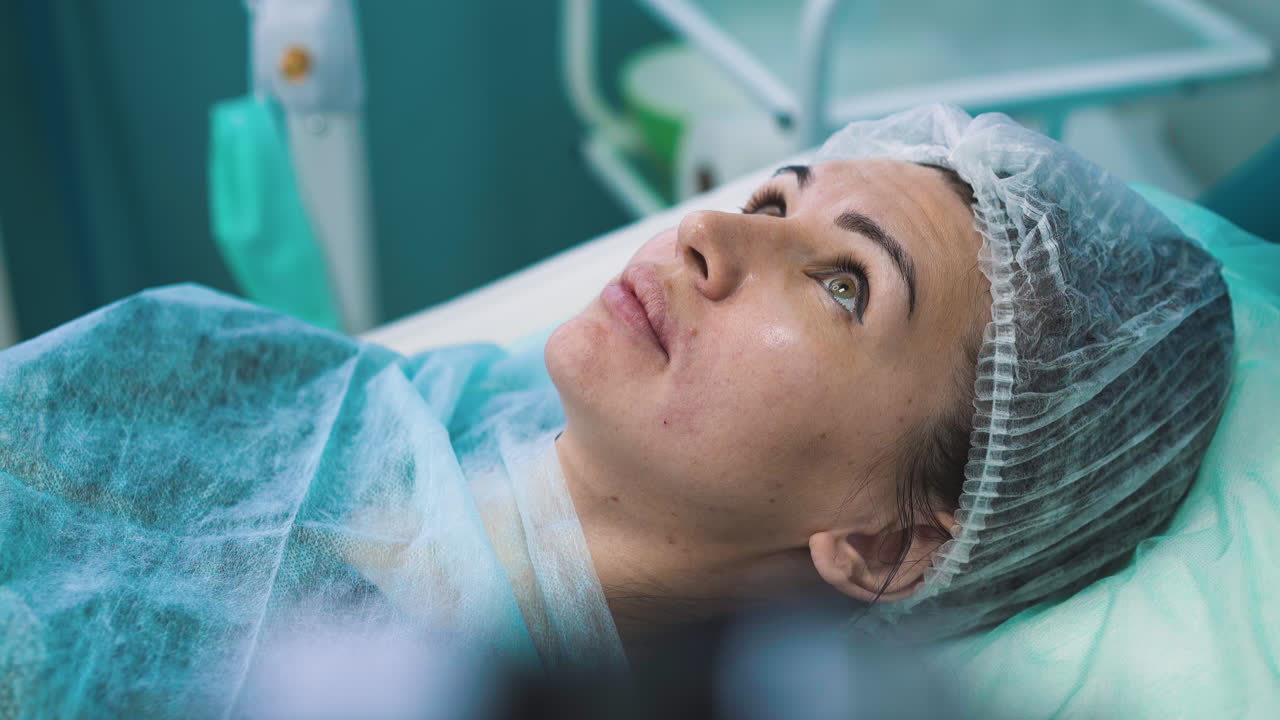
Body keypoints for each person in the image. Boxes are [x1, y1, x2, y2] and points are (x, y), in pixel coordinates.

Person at [0, 105, 1232, 715]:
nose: (704, 232)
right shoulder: (303, 386)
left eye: (844, 285)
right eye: (770, 200)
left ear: (889, 543)